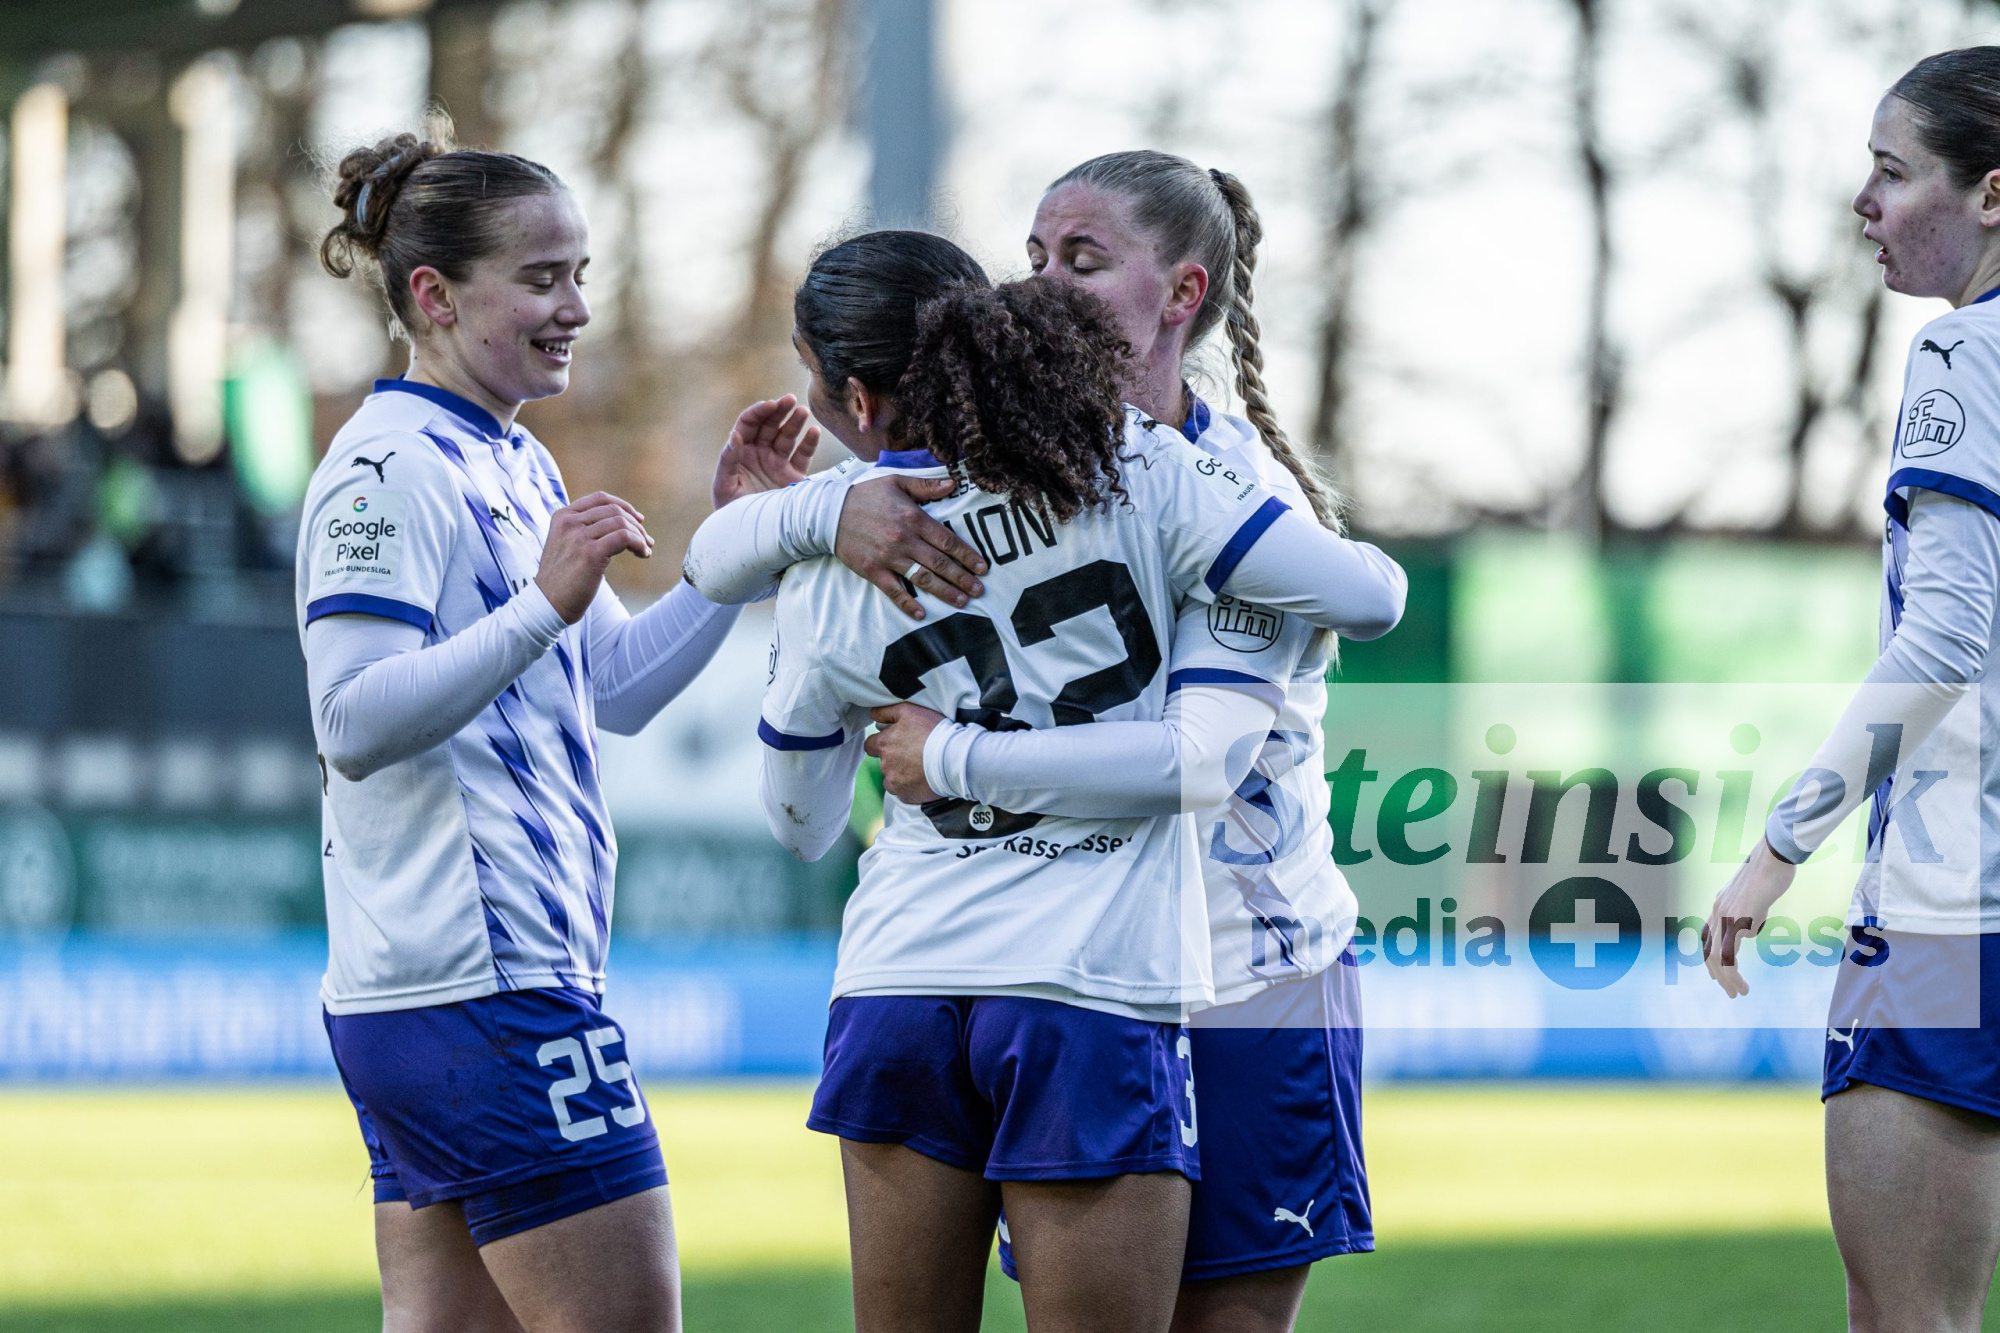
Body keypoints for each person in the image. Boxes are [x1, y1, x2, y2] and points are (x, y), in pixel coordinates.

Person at [720, 229, 1402, 1333]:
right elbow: (1358, 604)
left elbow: (799, 820)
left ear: (858, 397)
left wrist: (792, 527)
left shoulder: (824, 560)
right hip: (1086, 983)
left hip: (899, 980)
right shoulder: (1137, 468)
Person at [303, 128, 756, 1333]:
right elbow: (350, 718)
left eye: (581, 275)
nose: (576, 310)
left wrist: (734, 546)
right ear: (435, 296)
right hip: (482, 989)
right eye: (542, 279)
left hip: (463, 991)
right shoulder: (387, 468)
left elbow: (616, 684)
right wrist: (539, 606)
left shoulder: (512, 459)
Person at [1703, 49, 2000, 1333]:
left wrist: (1778, 845)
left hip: (1949, 912)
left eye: (1891, 172)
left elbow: (1941, 638)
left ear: (1990, 192)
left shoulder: (1963, 354)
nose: (1863, 203)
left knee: (1902, 1316)